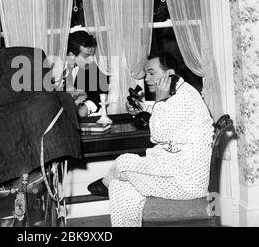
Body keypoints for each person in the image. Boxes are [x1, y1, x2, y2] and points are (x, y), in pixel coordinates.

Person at [87, 51, 214, 227]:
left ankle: (105, 182)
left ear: (169, 74)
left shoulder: (183, 98)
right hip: (175, 170)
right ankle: (111, 184)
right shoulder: (179, 92)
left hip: (186, 181)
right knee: (120, 188)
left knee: (123, 163)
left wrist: (160, 99)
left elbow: (159, 134)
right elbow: (165, 113)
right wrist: (140, 109)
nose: (146, 78)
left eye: (151, 73)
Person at [53, 30, 109, 117]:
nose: (92, 60)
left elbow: (99, 93)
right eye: (86, 56)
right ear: (71, 55)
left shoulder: (93, 68)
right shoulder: (51, 69)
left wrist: (87, 107)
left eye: (93, 55)